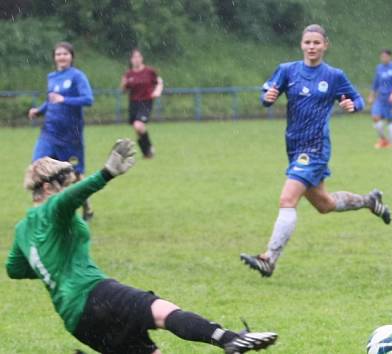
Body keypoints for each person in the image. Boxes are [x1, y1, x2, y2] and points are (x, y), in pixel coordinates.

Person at [6, 139, 277, 354]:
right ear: (50, 186)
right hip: (95, 294)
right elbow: (71, 199)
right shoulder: (55, 207)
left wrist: (52, 265)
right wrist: (106, 173)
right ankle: (230, 340)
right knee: (162, 312)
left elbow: (14, 269)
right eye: (66, 184)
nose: (70, 187)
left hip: (77, 322)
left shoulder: (22, 230)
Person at [240, 24, 391, 278]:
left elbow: (360, 100)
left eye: (316, 43)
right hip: (294, 146)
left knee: (287, 199)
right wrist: (269, 96)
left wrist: (351, 104)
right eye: (307, 42)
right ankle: (369, 201)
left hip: (316, 148)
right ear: (301, 44)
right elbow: (266, 95)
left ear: (325, 46)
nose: (312, 47)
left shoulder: (333, 76)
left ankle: (269, 258)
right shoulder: (288, 70)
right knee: (324, 204)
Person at [28, 41, 95, 220]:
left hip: (71, 135)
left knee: (75, 175)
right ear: (54, 58)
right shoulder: (52, 77)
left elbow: (88, 99)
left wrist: (64, 99)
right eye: (58, 54)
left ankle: (86, 206)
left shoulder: (77, 76)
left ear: (71, 57)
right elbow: (51, 100)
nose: (61, 57)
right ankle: (41, 210)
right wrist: (39, 111)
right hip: (49, 132)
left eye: (65, 54)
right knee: (37, 167)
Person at [121, 48, 163, 158]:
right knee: (137, 128)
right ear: (131, 60)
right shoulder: (129, 74)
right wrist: (124, 84)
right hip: (133, 103)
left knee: (138, 125)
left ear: (142, 58)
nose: (136, 59)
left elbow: (159, 82)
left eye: (138, 57)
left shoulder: (149, 72)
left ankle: (149, 147)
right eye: (134, 57)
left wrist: (157, 91)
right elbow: (124, 90)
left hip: (146, 101)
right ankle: (146, 152)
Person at [367, 49, 392, 148]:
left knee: (390, 120)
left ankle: (390, 143)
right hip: (381, 98)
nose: (383, 58)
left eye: (385, 56)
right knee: (375, 117)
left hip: (391, 98)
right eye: (382, 56)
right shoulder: (379, 68)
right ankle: (383, 139)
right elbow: (376, 83)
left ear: (390, 57)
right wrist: (371, 95)